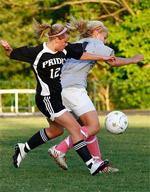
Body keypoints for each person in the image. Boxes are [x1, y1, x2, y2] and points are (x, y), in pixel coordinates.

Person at [0, 19, 116, 175]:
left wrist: (103, 58)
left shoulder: (65, 49)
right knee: (75, 128)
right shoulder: (37, 53)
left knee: (56, 131)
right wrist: (8, 49)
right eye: (65, 41)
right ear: (56, 39)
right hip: (46, 99)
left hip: (57, 99)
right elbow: (12, 54)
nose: (67, 44)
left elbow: (82, 55)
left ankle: (23, 148)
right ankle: (92, 165)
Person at [46, 18, 144, 172]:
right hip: (73, 89)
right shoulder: (96, 43)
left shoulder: (77, 44)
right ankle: (59, 149)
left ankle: (98, 163)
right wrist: (133, 60)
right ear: (97, 32)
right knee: (93, 126)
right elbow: (113, 61)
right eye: (105, 37)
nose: (105, 41)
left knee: (86, 127)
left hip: (59, 89)